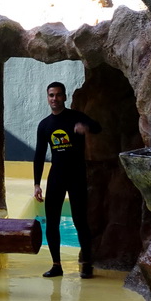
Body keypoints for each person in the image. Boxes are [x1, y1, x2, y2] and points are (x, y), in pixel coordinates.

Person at [33, 81, 101, 279]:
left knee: (80, 221)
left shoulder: (75, 117)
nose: (55, 99)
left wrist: (85, 127)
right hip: (56, 176)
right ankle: (56, 265)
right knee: (52, 222)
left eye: (58, 95)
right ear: (48, 98)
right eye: (51, 95)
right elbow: (39, 155)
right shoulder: (45, 125)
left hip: (77, 175)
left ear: (65, 96)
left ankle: (87, 264)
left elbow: (98, 127)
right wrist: (36, 183)